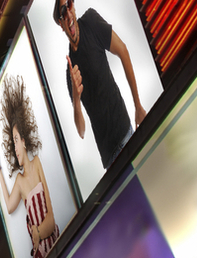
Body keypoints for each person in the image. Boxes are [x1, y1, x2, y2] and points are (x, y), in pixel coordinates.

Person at [53, 0, 147, 162]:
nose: (68, 13)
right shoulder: (71, 72)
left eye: (69, 5)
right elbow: (81, 131)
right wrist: (76, 98)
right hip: (110, 159)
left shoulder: (91, 22)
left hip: (125, 135)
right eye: (63, 12)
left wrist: (137, 105)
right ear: (61, 24)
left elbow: (123, 50)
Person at [0, 76, 58, 258]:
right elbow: (9, 206)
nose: (15, 148)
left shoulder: (37, 163)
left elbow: (51, 218)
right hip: (40, 256)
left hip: (55, 242)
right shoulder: (20, 181)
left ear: (24, 141)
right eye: (12, 142)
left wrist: (37, 233)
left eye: (16, 140)